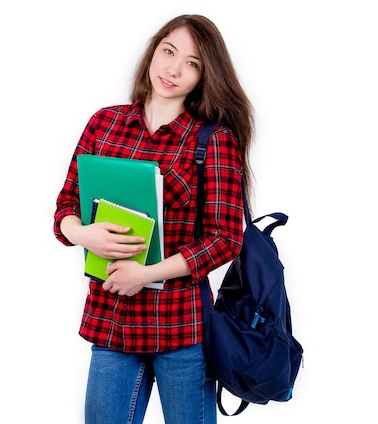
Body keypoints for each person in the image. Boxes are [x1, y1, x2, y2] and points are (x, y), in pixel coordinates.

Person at [53, 14, 254, 424]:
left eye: (192, 63)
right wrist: (84, 234)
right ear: (153, 51)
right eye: (169, 51)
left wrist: (145, 274)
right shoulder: (104, 123)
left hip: (181, 328)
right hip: (111, 320)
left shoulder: (212, 140)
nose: (174, 68)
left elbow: (226, 238)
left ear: (203, 76)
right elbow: (64, 209)